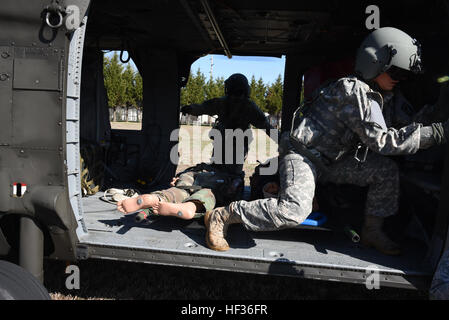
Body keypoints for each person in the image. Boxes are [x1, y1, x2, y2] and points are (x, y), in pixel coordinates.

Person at [204, 27, 449, 255]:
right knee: (293, 211)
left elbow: (405, 124)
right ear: (375, 63)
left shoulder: (380, 97)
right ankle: (225, 215)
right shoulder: (353, 91)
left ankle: (371, 231)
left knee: (385, 171)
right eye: (395, 71)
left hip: (331, 163)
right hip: (303, 156)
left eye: (403, 75)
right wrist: (438, 132)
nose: (399, 79)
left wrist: (436, 113)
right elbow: (384, 142)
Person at [117, 73, 275, 219]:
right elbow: (267, 128)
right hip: (234, 158)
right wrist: (283, 142)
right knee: (228, 182)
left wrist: (188, 108)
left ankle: (163, 196)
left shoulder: (221, 102)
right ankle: (191, 204)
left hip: (219, 154)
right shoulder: (250, 107)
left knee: (204, 172)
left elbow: (201, 108)